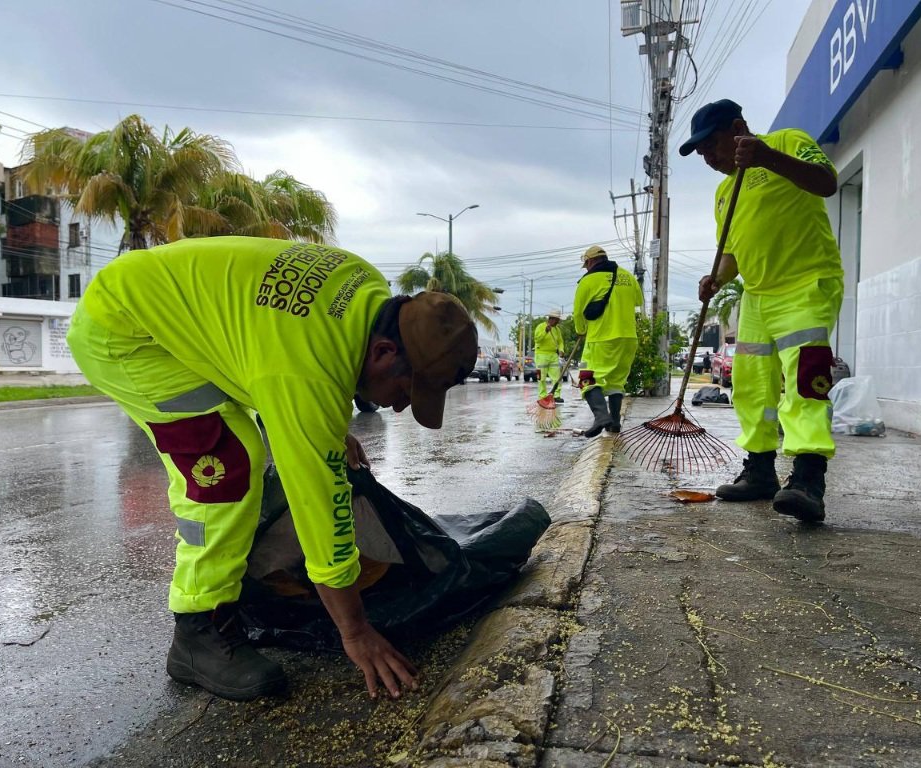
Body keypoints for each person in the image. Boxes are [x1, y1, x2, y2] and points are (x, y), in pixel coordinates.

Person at [66, 236, 478, 701]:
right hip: (125, 332)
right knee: (224, 465)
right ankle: (198, 630)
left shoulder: (362, 286)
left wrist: (326, 429)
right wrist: (355, 630)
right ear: (384, 353)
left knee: (251, 445)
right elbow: (321, 510)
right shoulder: (304, 372)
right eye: (407, 392)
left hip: (155, 303)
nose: (402, 407)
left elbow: (285, 346)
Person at [680, 98, 844, 524]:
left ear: (738, 128)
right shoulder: (723, 193)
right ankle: (760, 470)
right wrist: (716, 277)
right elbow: (732, 251)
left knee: (806, 382)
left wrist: (767, 157)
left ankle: (809, 479)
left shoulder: (789, 142)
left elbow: (827, 182)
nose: (708, 158)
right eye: (701, 154)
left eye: (711, 145)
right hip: (756, 296)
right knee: (752, 387)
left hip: (805, 284)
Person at [573, 245, 644, 436]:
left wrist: (580, 330)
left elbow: (578, 312)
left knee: (587, 378)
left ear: (589, 261)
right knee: (616, 383)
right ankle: (614, 423)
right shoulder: (628, 277)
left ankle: (601, 417)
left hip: (602, 338)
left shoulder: (587, 281)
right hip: (628, 338)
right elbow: (639, 301)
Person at [533, 310, 565, 403]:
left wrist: (561, 350)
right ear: (552, 319)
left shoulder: (557, 330)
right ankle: (542, 396)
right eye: (557, 320)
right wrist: (545, 331)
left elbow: (560, 342)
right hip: (541, 355)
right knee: (541, 377)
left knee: (557, 377)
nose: (558, 322)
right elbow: (537, 339)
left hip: (553, 355)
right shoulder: (541, 327)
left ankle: (556, 395)